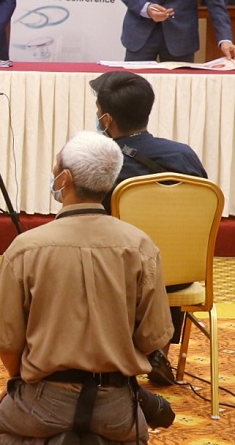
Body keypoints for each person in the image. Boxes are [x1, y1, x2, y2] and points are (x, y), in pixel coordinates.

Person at [0, 131, 173, 444]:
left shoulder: (26, 248)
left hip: (44, 400)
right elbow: (154, 337)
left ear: (65, 179)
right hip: (116, 405)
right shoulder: (140, 246)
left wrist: (19, 383)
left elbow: (7, 342)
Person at [91, 70, 206, 384]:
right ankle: (159, 351)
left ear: (106, 119)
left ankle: (109, 360)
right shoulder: (184, 155)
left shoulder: (103, 162)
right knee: (162, 254)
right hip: (179, 276)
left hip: (119, 280)